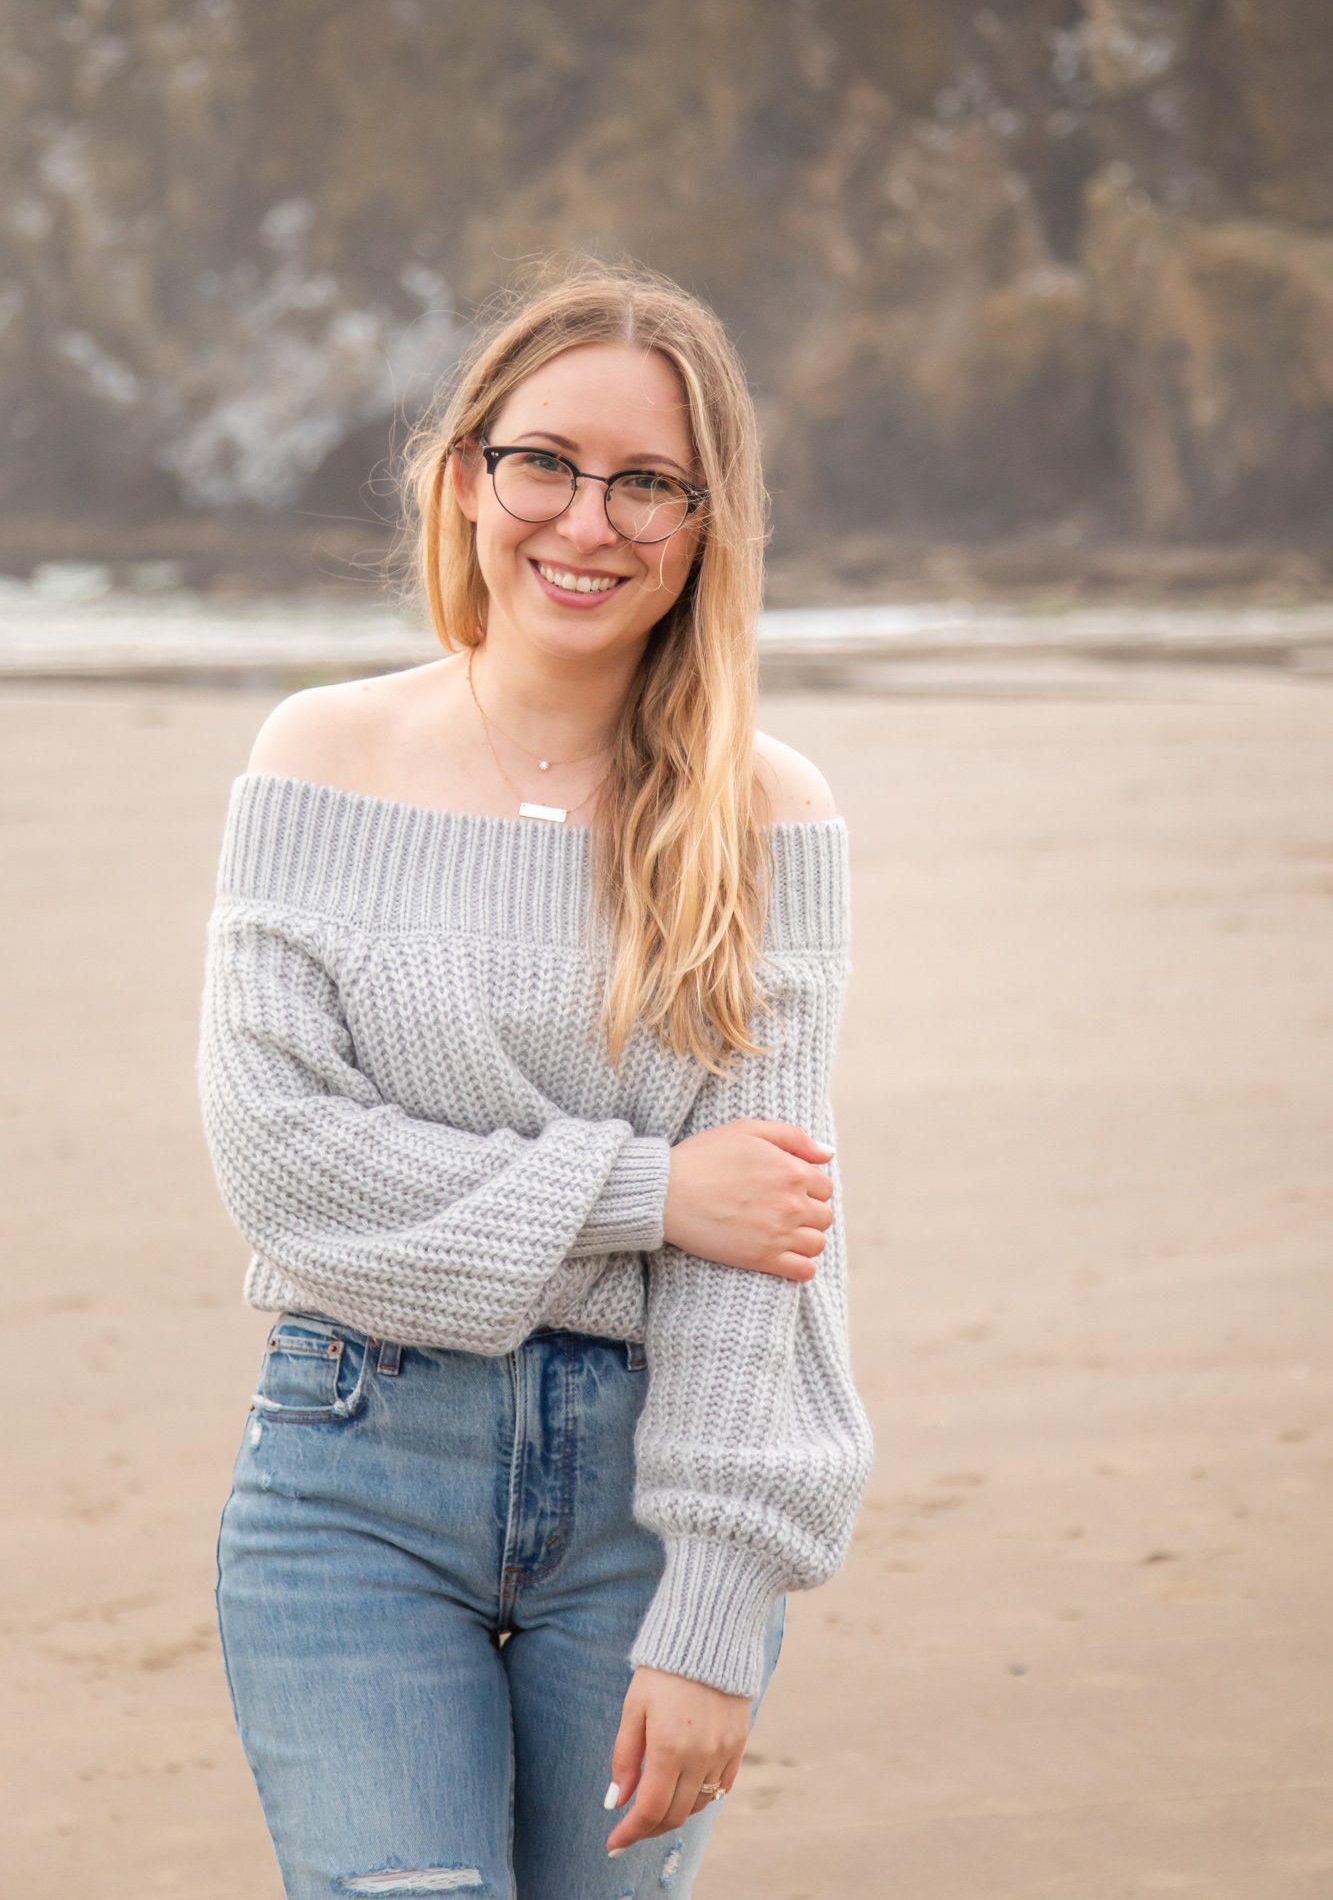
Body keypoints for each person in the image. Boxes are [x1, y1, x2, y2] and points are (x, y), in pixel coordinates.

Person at [198, 254, 875, 1900]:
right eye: (545, 465)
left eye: (649, 483)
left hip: (647, 1503)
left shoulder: (764, 814)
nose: (587, 522)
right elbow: (286, 1164)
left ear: (707, 525)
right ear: (464, 477)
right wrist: (654, 1193)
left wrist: (715, 1612)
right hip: (353, 1475)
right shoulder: (317, 757)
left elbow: (761, 1258)